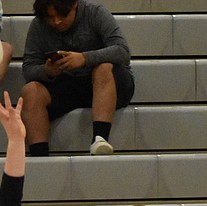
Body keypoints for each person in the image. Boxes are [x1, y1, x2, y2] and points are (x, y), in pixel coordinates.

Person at [21, 0, 135, 156]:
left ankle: (100, 138)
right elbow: (28, 68)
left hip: (108, 83)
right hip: (67, 85)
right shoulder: (38, 25)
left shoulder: (95, 13)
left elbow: (122, 51)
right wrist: (46, 70)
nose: (57, 21)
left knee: (102, 68)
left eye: (63, 15)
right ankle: (39, 154)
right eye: (50, 17)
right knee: (30, 91)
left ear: (74, 4)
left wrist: (84, 58)